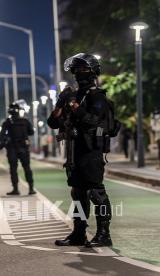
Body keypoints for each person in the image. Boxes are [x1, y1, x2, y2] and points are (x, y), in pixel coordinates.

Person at [48, 53, 115, 247]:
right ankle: (78, 233)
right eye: (75, 70)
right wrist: (60, 103)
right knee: (77, 193)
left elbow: (93, 121)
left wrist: (74, 106)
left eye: (83, 69)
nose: (78, 73)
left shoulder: (98, 97)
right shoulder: (73, 96)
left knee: (96, 192)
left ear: (93, 71)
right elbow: (53, 123)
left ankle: (104, 234)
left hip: (91, 151)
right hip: (74, 152)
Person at [0, 103, 35, 195]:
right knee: (27, 168)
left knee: (13, 169)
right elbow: (31, 132)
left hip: (12, 148)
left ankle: (16, 189)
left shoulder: (7, 122)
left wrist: (3, 143)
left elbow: (2, 136)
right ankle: (31, 188)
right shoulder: (25, 121)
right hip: (23, 148)